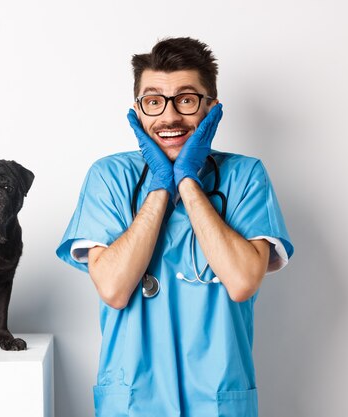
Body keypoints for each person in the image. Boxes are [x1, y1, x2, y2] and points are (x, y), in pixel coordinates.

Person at [56, 37, 294, 417]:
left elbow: (242, 280)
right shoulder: (109, 177)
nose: (168, 117)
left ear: (211, 109)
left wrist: (187, 181)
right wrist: (159, 188)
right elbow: (114, 289)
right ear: (138, 111)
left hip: (216, 401)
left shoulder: (246, 176)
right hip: (134, 403)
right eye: (154, 101)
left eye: (186, 99)